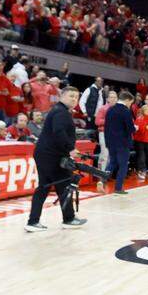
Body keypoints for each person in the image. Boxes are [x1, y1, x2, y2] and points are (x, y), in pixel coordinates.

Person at [25, 86, 86, 231]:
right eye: (71, 96)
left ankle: (65, 218)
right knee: (52, 186)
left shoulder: (61, 111)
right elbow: (58, 132)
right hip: (50, 156)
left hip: (49, 154)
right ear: (62, 96)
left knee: (58, 185)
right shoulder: (60, 112)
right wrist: (70, 149)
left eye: (76, 97)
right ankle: (37, 222)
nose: (74, 99)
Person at [104, 91, 136, 195]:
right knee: (123, 165)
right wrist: (135, 128)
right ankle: (118, 188)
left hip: (110, 142)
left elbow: (106, 127)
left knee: (112, 162)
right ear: (127, 100)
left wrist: (107, 142)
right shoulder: (125, 111)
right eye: (130, 103)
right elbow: (130, 128)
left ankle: (102, 180)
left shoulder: (110, 109)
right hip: (122, 143)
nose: (130, 105)